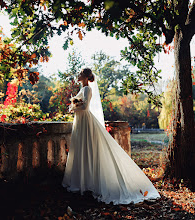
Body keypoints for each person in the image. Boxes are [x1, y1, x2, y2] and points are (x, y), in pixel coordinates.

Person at [62, 68, 160, 205]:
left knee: (87, 148)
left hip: (85, 121)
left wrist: (75, 106)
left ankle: (88, 184)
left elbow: (84, 107)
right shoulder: (82, 89)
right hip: (80, 121)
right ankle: (82, 182)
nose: (77, 75)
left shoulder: (87, 89)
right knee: (81, 149)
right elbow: (77, 104)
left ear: (84, 76)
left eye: (79, 73)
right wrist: (73, 106)